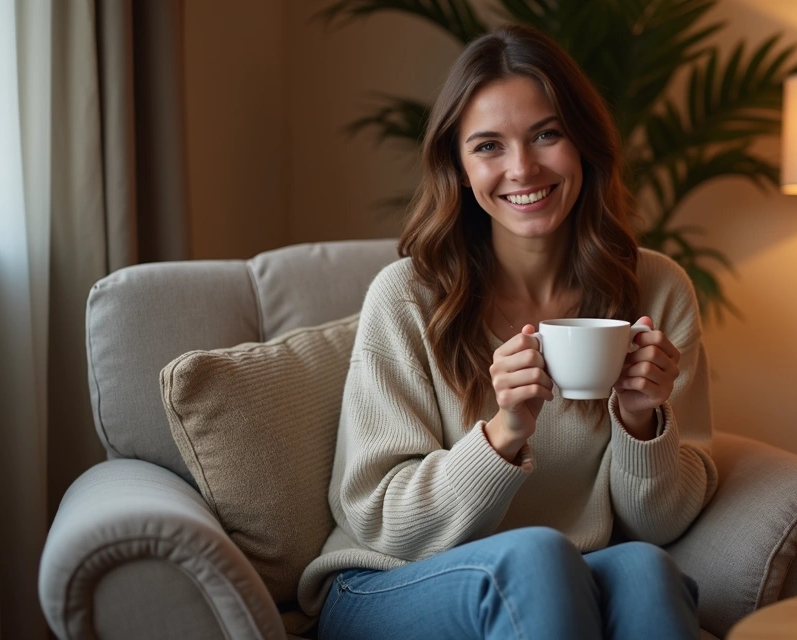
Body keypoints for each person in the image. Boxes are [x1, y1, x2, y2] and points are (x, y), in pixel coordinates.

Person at [297, 23, 718, 640]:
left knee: (646, 570)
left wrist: (640, 423)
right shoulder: (408, 297)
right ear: (461, 169)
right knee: (538, 556)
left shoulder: (655, 291)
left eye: (546, 134)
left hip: (562, 576)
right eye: (488, 146)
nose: (522, 168)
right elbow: (380, 519)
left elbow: (662, 525)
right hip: (386, 581)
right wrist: (503, 434)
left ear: (583, 145)